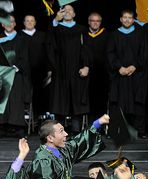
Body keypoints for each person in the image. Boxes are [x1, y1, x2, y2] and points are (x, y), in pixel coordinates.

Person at [47, 5, 91, 133]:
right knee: (60, 99)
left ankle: (76, 130)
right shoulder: (56, 28)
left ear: (74, 14)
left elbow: (86, 49)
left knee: (76, 100)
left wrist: (86, 66)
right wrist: (55, 20)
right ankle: (59, 131)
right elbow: (49, 42)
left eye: (70, 10)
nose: (67, 11)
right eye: (64, 10)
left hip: (77, 69)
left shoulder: (82, 29)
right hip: (60, 70)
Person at [107, 10, 147, 138]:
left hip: (136, 74)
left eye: (130, 18)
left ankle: (139, 130)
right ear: (120, 19)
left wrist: (134, 66)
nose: (127, 20)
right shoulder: (114, 35)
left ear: (133, 20)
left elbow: (143, 52)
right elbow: (110, 53)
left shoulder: (140, 34)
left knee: (138, 103)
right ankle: (116, 130)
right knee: (117, 103)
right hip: (119, 75)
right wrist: (119, 67)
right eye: (125, 17)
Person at [0, 16, 30, 138]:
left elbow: (25, 57)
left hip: (16, 74)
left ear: (15, 24)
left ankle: (17, 128)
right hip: (1, 75)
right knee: (0, 100)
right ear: (2, 24)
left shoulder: (22, 39)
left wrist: (16, 67)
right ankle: (0, 129)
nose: (9, 24)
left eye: (11, 21)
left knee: (16, 101)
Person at [21, 15, 49, 118]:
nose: (29, 22)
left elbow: (47, 53)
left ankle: (39, 117)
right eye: (27, 21)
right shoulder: (19, 36)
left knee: (39, 94)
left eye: (32, 20)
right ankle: (26, 116)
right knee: (24, 93)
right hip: (23, 71)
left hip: (39, 71)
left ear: (35, 22)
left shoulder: (42, 36)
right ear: (24, 23)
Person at [83, 12, 109, 122]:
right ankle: (90, 124)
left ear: (100, 22)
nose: (95, 23)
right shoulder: (83, 35)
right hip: (87, 72)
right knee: (88, 99)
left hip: (102, 72)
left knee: (102, 99)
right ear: (89, 22)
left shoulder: (107, 35)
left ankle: (101, 125)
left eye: (97, 21)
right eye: (93, 20)